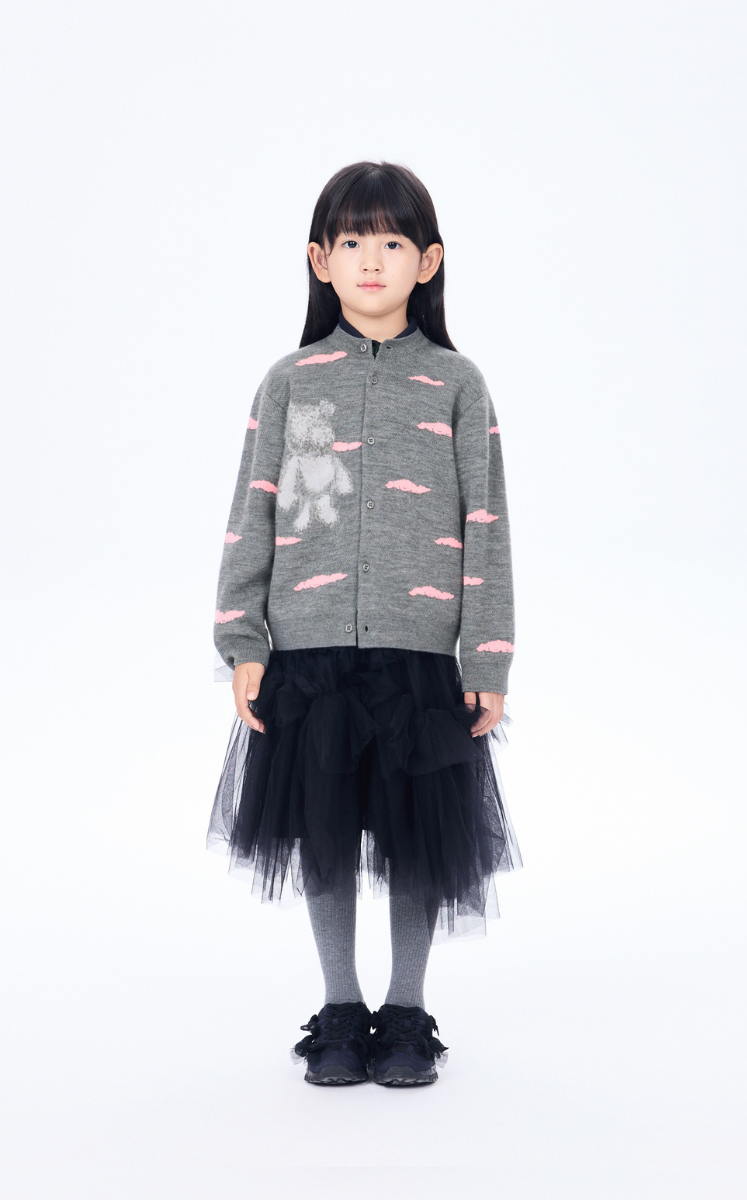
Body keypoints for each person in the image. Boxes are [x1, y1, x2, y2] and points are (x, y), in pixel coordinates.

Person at [207, 161, 522, 1087]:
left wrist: (486, 657)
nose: (372, 259)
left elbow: (486, 527)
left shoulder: (457, 384)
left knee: (420, 839)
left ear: (428, 260)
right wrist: (243, 640)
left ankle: (407, 1012)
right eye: (352, 241)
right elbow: (253, 511)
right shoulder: (289, 382)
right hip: (308, 658)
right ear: (321, 259)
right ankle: (341, 1010)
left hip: (418, 658)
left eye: (393, 241)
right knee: (325, 834)